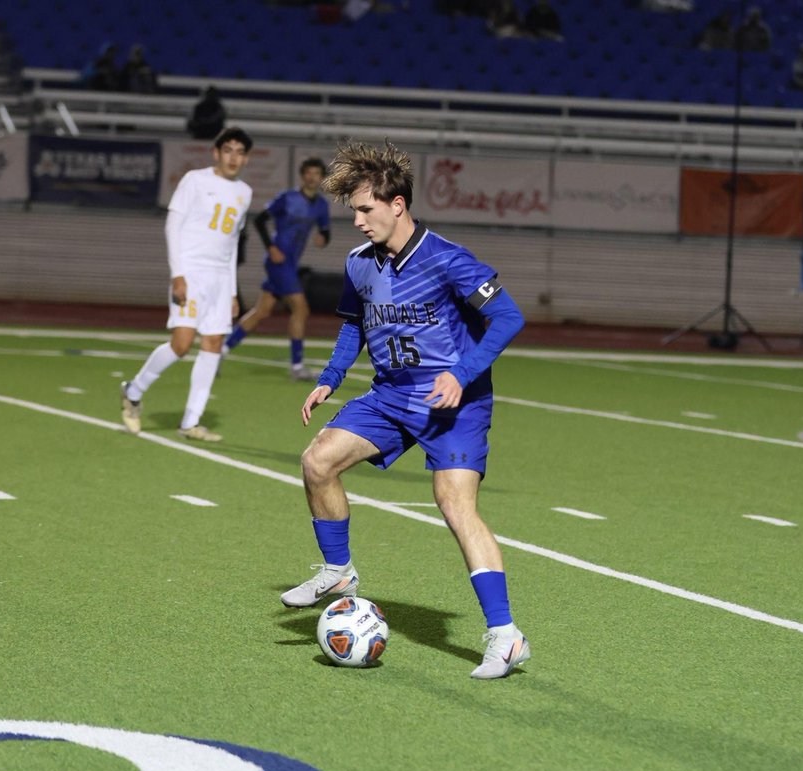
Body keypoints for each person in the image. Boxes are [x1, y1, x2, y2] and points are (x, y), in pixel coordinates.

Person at [280, 139, 531, 680]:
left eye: (366, 209)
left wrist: (461, 374)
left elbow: (509, 317)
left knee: (455, 506)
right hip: (392, 394)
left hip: (453, 404)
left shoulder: (448, 259)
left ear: (398, 205)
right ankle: (338, 573)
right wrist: (329, 378)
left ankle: (505, 637)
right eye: (354, 211)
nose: (358, 221)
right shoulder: (359, 264)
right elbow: (354, 323)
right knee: (317, 461)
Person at [120, 128, 254, 442]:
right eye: (228, 150)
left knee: (213, 346)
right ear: (216, 153)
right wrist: (177, 274)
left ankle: (190, 422)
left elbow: (232, 242)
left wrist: (232, 290)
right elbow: (173, 224)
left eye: (239, 152)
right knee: (181, 345)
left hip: (220, 280)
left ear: (246, 158)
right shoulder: (195, 180)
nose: (233, 157)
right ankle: (133, 390)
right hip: (192, 273)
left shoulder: (244, 193)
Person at [224, 158, 332, 380]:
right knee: (301, 309)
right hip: (278, 262)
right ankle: (297, 366)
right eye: (309, 173)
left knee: (261, 311)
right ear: (303, 175)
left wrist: (324, 238)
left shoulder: (321, 205)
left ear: (322, 178)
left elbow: (325, 230)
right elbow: (260, 221)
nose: (312, 177)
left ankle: (220, 351)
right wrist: (271, 248)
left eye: (317, 174)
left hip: (291, 263)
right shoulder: (287, 198)